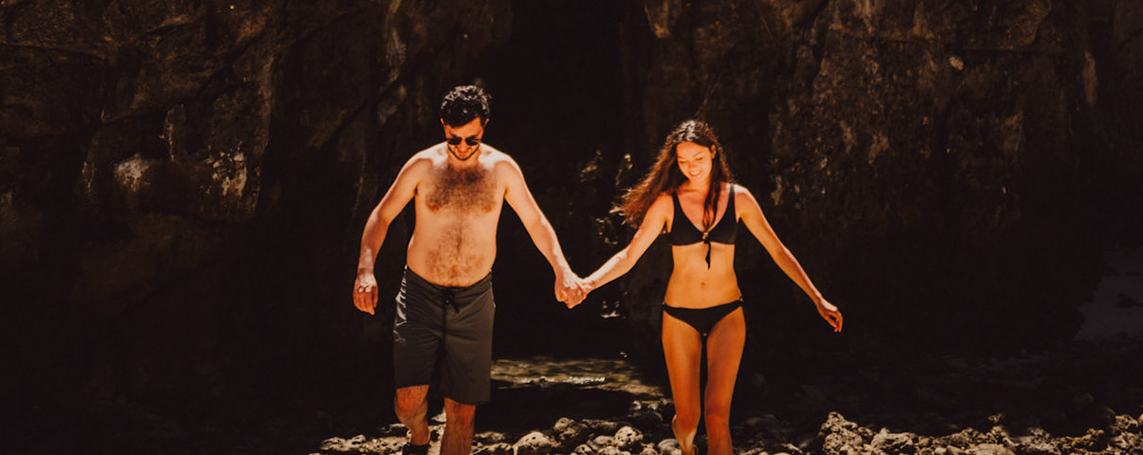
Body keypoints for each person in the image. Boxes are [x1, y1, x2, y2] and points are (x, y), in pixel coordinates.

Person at [353, 84, 590, 455]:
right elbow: (381, 216)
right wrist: (366, 270)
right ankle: (419, 435)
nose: (462, 146)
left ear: (486, 127)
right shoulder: (422, 166)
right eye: (454, 138)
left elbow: (536, 222)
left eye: (472, 139)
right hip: (419, 293)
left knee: (462, 411)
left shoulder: (502, 169)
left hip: (474, 297)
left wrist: (563, 270)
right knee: (409, 401)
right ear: (443, 126)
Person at [580, 119, 841, 455]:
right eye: (684, 161)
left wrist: (817, 298)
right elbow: (629, 256)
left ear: (714, 153)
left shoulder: (739, 199)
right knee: (689, 421)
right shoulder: (667, 203)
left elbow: (778, 251)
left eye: (698, 159)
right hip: (680, 317)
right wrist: (588, 283)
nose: (692, 168)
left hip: (728, 313)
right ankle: (684, 440)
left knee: (717, 417)